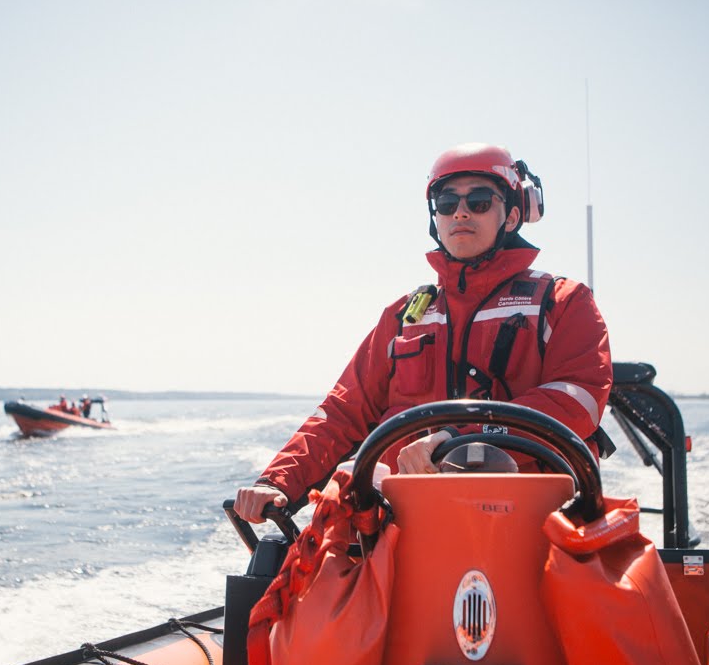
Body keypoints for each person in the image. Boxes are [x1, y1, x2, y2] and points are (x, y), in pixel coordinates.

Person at [234, 142, 612, 522]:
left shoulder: (562, 302)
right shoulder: (404, 315)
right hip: (400, 520)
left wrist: (461, 439)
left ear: (512, 217)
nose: (460, 211)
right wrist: (277, 481)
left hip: (526, 519)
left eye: (479, 200)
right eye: (447, 203)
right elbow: (342, 411)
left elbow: (578, 400)